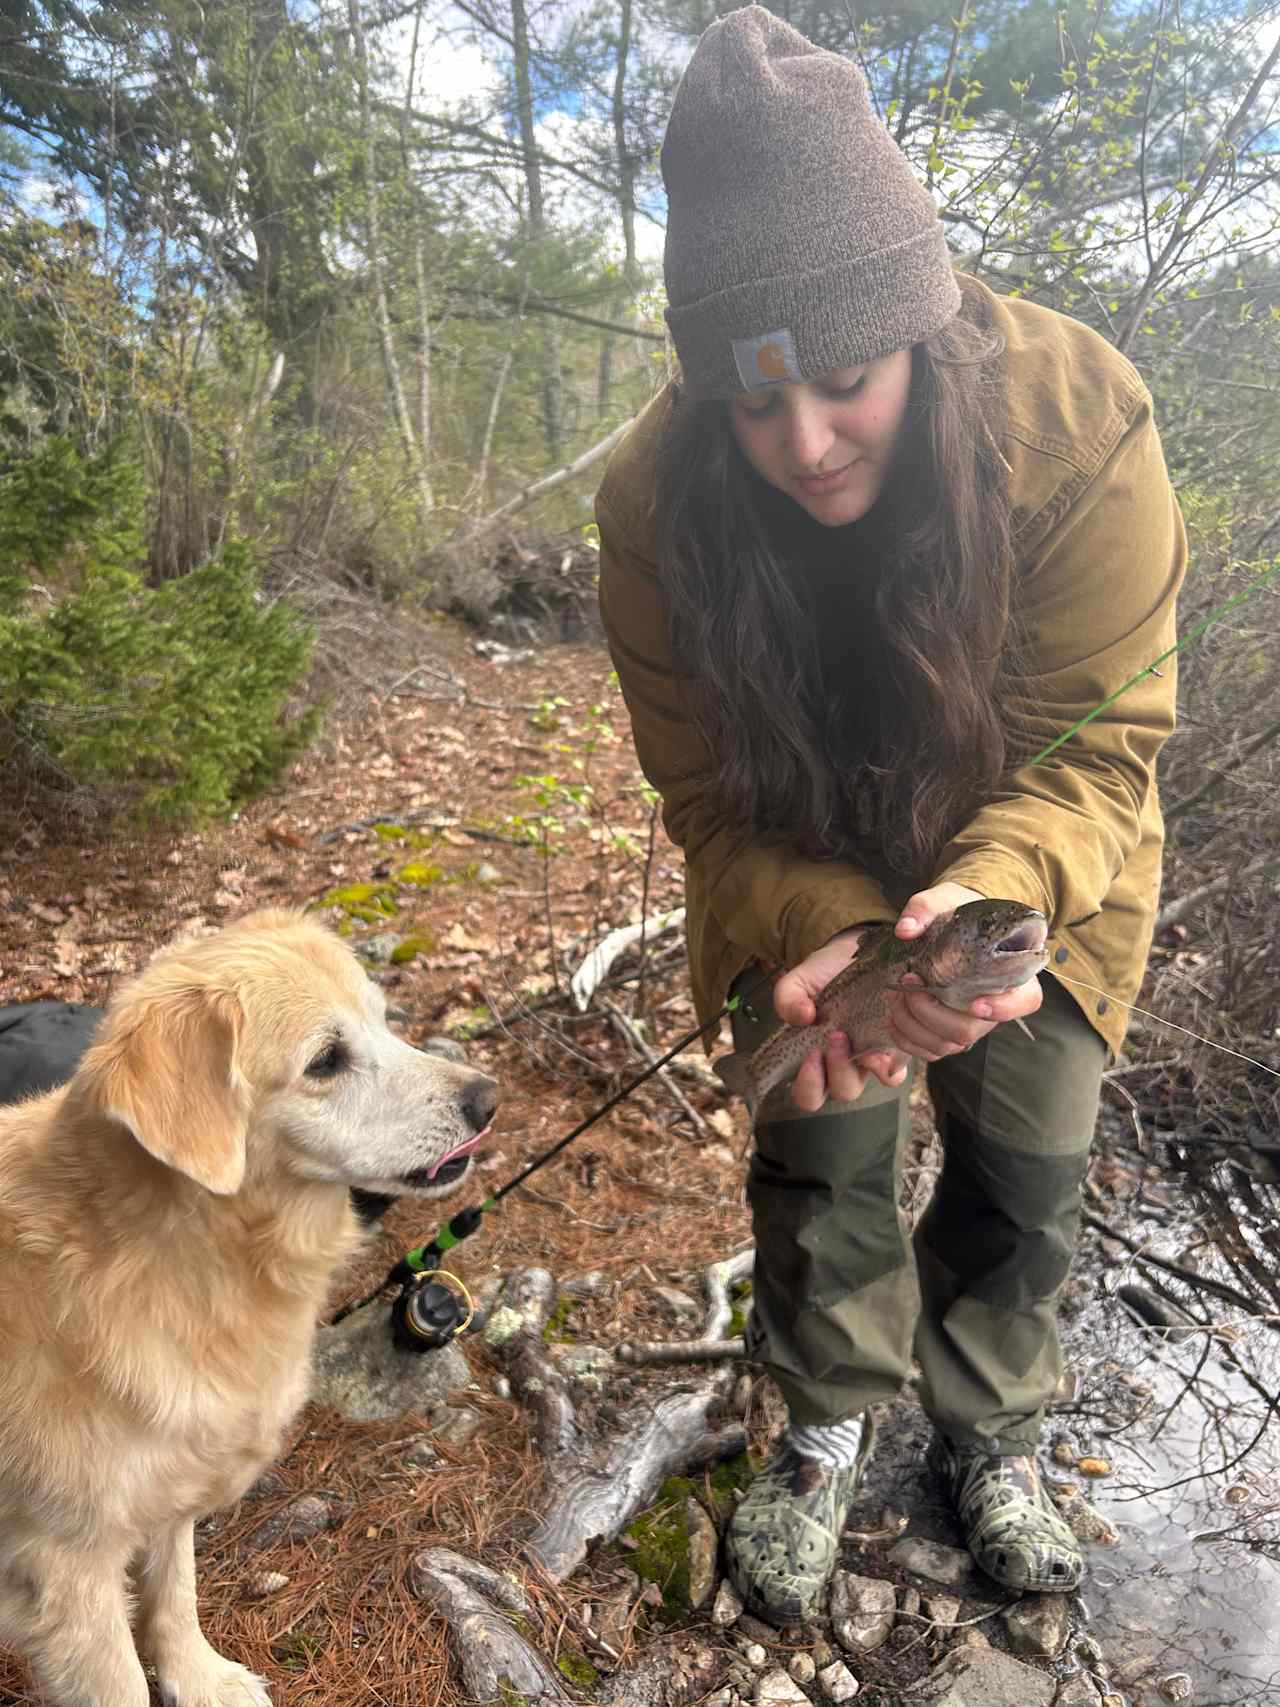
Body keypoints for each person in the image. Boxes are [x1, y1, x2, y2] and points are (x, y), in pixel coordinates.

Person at [595, 5, 1185, 1625]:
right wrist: (833, 933)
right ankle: (828, 1422)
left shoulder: (1082, 422)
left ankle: (990, 1425)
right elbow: (706, 795)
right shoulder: (654, 505)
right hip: (800, 865)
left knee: (1030, 1154)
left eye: (846, 383)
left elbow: (1100, 744)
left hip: (1041, 866)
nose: (803, 443)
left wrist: (975, 896)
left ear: (918, 325)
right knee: (820, 1149)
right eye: (753, 405)